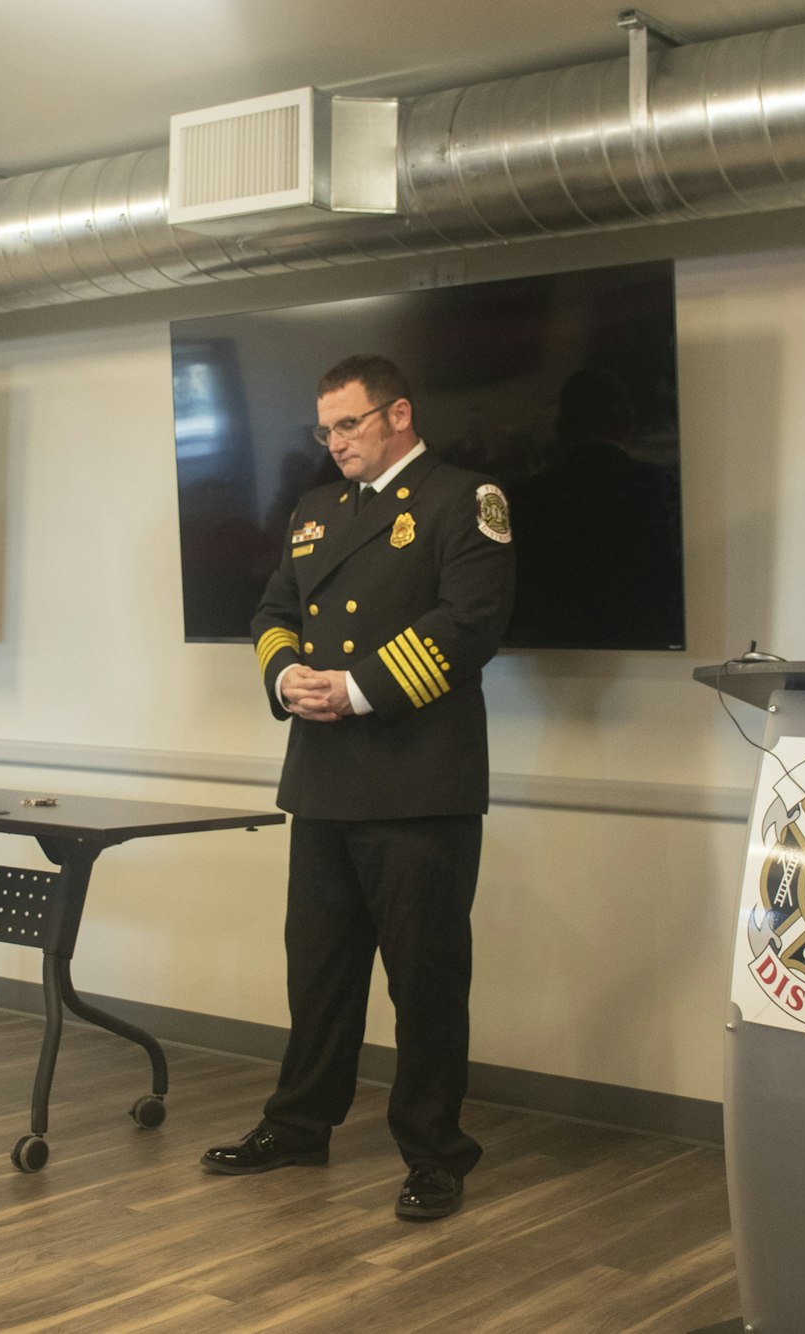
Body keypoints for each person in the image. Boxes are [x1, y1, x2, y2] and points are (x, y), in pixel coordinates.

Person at [201, 354, 516, 1221]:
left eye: (349, 424)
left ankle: (436, 1152)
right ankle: (299, 1125)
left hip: (419, 780)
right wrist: (286, 676)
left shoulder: (465, 500)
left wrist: (358, 688)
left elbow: (472, 623)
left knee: (425, 983)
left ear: (398, 415)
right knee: (319, 973)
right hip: (323, 779)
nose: (334, 442)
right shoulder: (314, 511)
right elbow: (272, 612)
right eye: (326, 428)